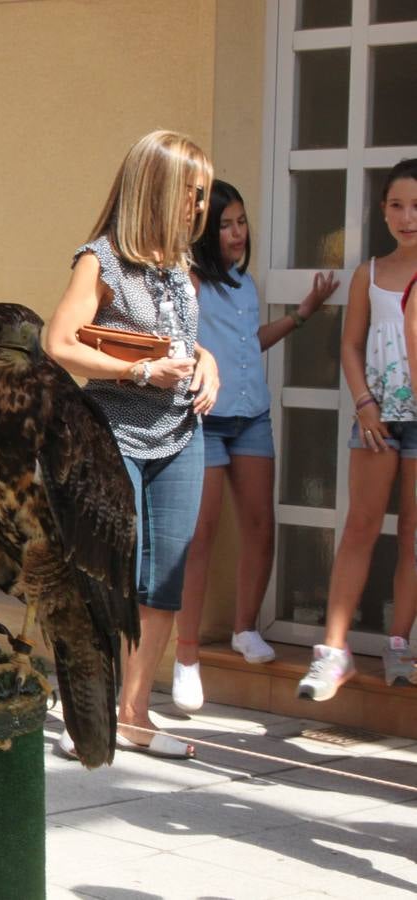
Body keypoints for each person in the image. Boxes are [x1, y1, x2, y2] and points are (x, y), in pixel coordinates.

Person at [45, 130, 218, 760]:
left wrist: (208, 363)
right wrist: (139, 373)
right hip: (111, 433)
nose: (199, 206)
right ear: (157, 188)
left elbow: (177, 340)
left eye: (202, 195)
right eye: (191, 193)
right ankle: (88, 711)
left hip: (179, 435)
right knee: (108, 576)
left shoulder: (179, 266)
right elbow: (59, 343)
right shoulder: (101, 259)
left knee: (163, 580)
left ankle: (135, 713)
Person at [171, 180, 340, 711]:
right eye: (226, 225)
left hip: (252, 419)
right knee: (201, 537)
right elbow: (180, 344)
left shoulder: (245, 285)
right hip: (206, 419)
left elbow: (249, 343)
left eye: (242, 222)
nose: (238, 233)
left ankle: (246, 629)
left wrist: (304, 313)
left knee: (260, 525)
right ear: (205, 233)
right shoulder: (192, 284)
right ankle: (187, 657)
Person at [299, 159, 417, 700]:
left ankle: (398, 644)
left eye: (415, 206)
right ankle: (334, 652)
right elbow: (349, 344)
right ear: (382, 209)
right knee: (360, 528)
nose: (407, 216)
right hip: (377, 419)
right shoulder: (369, 272)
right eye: (396, 205)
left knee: (413, 536)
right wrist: (365, 403)